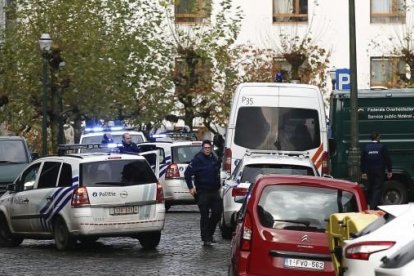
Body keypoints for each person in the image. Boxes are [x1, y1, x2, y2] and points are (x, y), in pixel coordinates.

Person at [184, 140, 223, 246]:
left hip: (214, 191)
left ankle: (209, 234)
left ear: (211, 148)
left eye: (209, 148)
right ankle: (206, 238)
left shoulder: (213, 158)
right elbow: (187, 174)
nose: (207, 149)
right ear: (202, 148)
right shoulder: (197, 159)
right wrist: (191, 187)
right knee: (204, 215)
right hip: (202, 191)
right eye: (205, 148)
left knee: (217, 212)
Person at [360, 131, 392, 210]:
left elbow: (362, 160)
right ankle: (373, 207)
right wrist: (389, 171)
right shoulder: (382, 146)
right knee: (377, 188)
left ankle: (370, 203)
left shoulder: (366, 147)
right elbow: (387, 159)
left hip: (369, 171)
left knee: (370, 188)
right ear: (377, 138)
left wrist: (363, 172)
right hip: (379, 171)